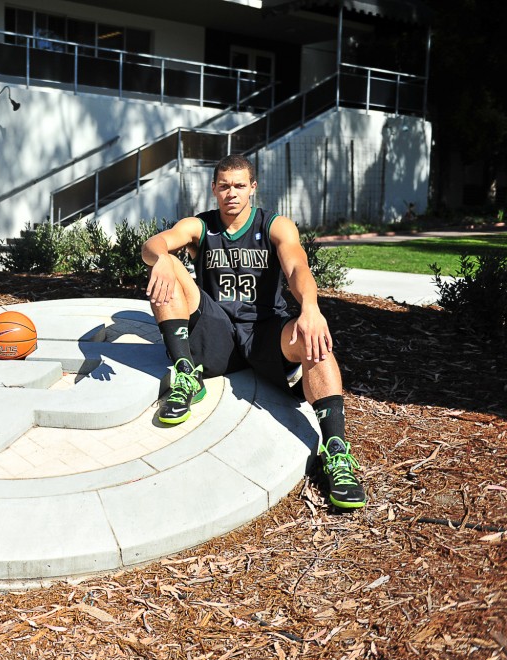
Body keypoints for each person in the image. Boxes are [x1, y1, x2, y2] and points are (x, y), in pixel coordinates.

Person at [141, 154, 366, 510]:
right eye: (225, 186)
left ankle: (336, 452)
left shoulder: (275, 226)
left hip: (264, 333)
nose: (232, 193)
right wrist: (162, 261)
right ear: (214, 189)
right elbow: (154, 244)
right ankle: (186, 375)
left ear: (253, 189)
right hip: (216, 331)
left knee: (313, 338)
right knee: (165, 262)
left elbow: (297, 268)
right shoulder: (200, 227)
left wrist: (310, 308)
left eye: (240, 185)